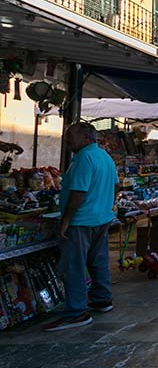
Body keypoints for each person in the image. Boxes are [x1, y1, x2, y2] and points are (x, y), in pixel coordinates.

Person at [43, 123, 119, 331]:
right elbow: (115, 184)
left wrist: (66, 220)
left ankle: (76, 312)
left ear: (85, 137)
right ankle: (102, 299)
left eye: (70, 136)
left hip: (82, 220)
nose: (67, 140)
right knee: (98, 260)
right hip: (101, 217)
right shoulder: (104, 157)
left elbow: (78, 192)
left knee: (74, 266)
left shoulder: (85, 158)